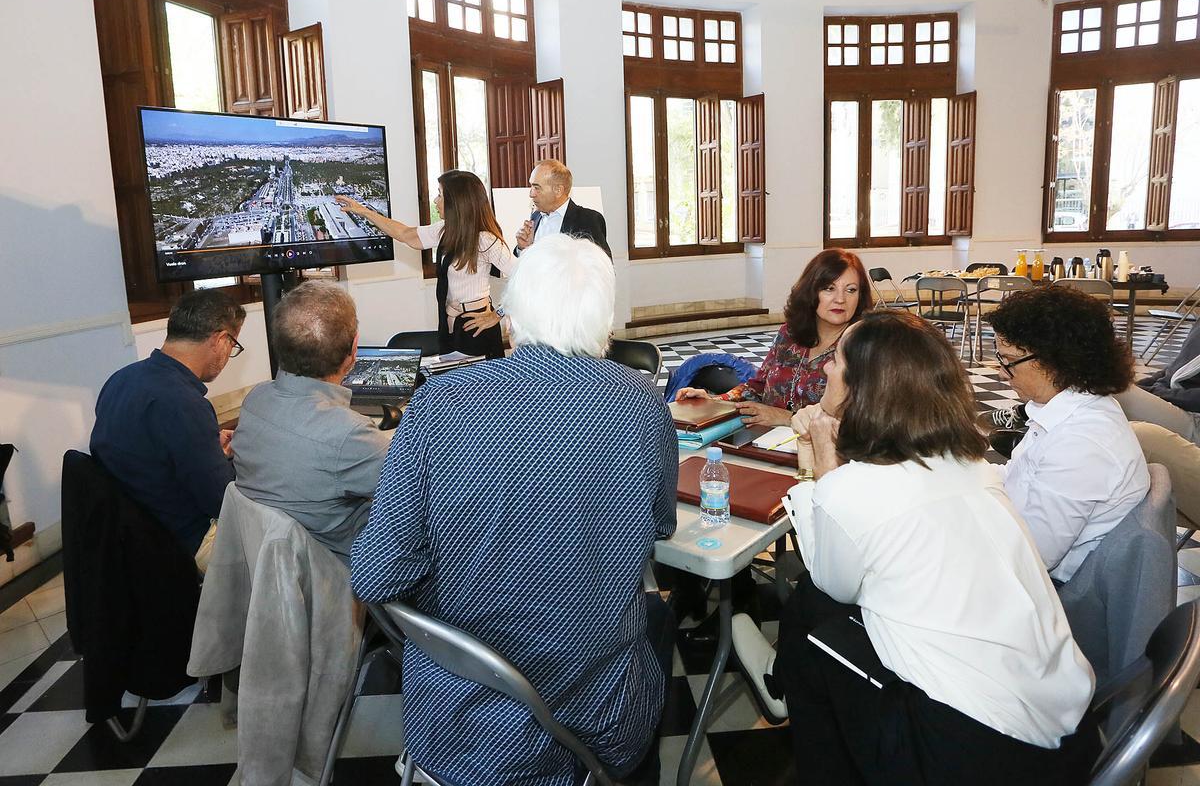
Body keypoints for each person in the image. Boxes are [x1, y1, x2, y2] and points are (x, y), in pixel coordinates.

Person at [350, 235, 676, 786]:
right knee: (655, 618)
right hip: (588, 711)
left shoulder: (438, 402)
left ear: (510, 314)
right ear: (604, 321)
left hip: (455, 719)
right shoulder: (640, 404)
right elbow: (660, 525)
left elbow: (376, 575)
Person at [734, 311, 1098, 785]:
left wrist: (822, 452)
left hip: (970, 751)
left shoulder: (857, 488)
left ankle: (788, 693)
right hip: (1071, 731)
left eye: (837, 360)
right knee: (815, 607)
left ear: (863, 386)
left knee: (817, 629)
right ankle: (782, 680)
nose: (826, 367)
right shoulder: (971, 465)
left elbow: (834, 582)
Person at [987, 286, 1149, 583]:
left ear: (1053, 362)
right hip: (1023, 549)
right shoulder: (1066, 409)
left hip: (1053, 587)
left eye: (1008, 361)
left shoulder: (1081, 443)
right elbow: (1014, 477)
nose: (1001, 372)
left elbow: (1034, 556)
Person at [232, 282, 391, 565]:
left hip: (272, 566)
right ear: (354, 348)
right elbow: (428, 491)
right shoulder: (349, 435)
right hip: (339, 572)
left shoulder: (255, 400)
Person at [90, 289, 245, 572]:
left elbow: (150, 450)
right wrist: (238, 462)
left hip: (131, 534)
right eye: (233, 345)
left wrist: (209, 448)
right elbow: (223, 502)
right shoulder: (184, 403)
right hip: (183, 540)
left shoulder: (121, 379)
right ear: (221, 339)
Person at [675, 248, 869, 428]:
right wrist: (715, 401)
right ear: (811, 291)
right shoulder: (789, 335)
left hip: (823, 448)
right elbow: (757, 387)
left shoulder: (865, 347)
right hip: (764, 439)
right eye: (829, 288)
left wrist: (786, 418)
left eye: (851, 290)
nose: (840, 299)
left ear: (860, 296)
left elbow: (863, 421)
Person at [337, 170, 515, 359]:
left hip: (476, 327)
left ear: (457, 202)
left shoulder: (486, 240)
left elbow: (526, 278)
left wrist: (498, 314)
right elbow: (406, 234)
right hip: (450, 325)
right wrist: (363, 211)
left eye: (440, 195)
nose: (435, 201)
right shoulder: (446, 230)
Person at [515, 159, 611, 255]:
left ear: (558, 190)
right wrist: (524, 248)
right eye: (531, 186)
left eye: (537, 188)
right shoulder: (535, 217)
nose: (531, 194)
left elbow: (601, 262)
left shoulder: (588, 220)